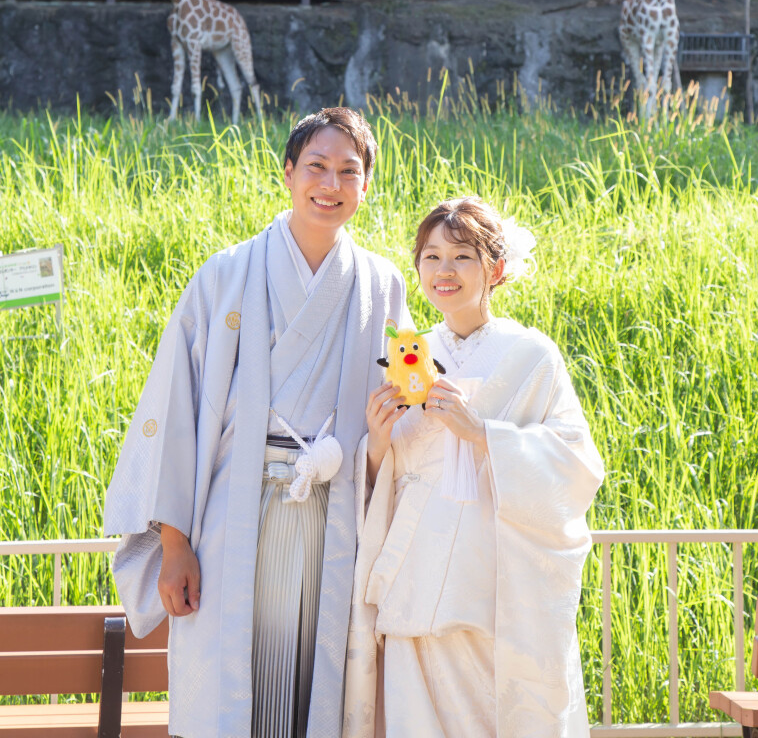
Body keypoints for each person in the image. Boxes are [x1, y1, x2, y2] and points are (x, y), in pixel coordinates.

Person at [104, 107, 409, 738]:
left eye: (348, 171)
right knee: (234, 692)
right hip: (234, 516)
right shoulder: (226, 275)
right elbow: (176, 408)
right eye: (317, 167)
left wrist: (387, 441)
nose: (331, 184)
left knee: (314, 687)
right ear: (288, 172)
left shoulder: (382, 284)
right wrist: (174, 543)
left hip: (337, 513)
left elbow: (398, 411)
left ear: (366, 186)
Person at [343, 196, 604, 738]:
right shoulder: (407, 353)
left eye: (462, 256)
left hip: (495, 587)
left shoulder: (531, 354)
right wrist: (376, 444)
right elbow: (385, 479)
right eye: (431, 256)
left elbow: (577, 466)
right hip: (414, 580)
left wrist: (483, 434)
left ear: (496, 269)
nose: (444, 270)